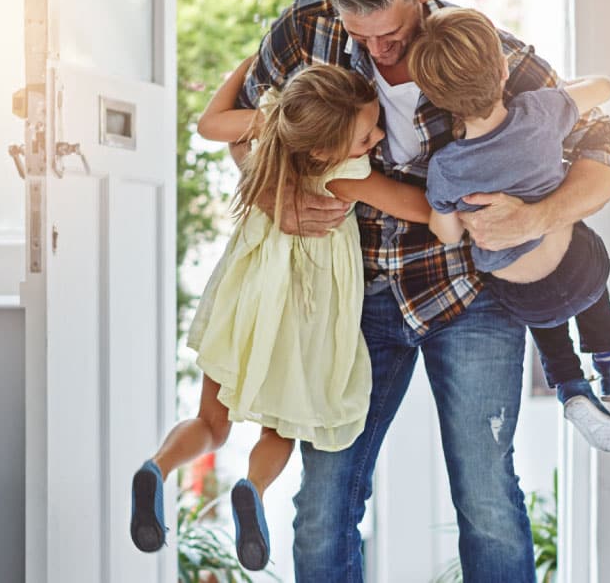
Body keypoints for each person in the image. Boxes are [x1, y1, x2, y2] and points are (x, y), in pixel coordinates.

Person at [226, 0, 610, 582]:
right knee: (322, 504)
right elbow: (253, 129)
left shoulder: (487, 57)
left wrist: (539, 213)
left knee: (486, 498)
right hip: (350, 295)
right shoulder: (306, 30)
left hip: (469, 295)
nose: (376, 50)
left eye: (389, 34)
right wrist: (272, 196)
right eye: (358, 35)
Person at [129, 62, 433, 571]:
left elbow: (209, 124)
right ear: (323, 150)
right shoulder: (344, 175)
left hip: (243, 302)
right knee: (280, 430)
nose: (378, 137)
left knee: (211, 422)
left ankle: (157, 468)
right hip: (300, 317)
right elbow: (417, 206)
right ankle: (252, 487)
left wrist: (246, 67)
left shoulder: (271, 129)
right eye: (366, 136)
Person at [409, 7, 610, 453]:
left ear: (437, 100)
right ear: (502, 70)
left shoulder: (446, 168)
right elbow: (604, 88)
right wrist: (570, 89)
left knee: (535, 301)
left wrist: (455, 210)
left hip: (524, 298)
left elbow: (446, 235)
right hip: (579, 273)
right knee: (582, 251)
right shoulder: (540, 111)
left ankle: (570, 383)